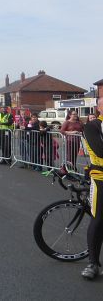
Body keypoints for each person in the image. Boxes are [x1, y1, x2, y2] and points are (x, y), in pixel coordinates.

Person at [82, 98, 103, 279]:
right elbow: (100, 151)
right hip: (101, 179)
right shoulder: (93, 126)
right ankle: (93, 264)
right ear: (99, 108)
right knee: (98, 220)